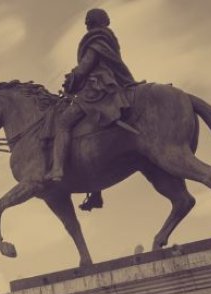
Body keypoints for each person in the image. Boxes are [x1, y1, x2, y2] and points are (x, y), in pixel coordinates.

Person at [47, 8, 137, 189]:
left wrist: (72, 78)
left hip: (97, 88)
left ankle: (57, 168)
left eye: (87, 21)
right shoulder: (109, 39)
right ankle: (95, 189)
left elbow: (86, 65)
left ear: (91, 22)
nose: (86, 25)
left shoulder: (96, 40)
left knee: (63, 122)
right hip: (105, 86)